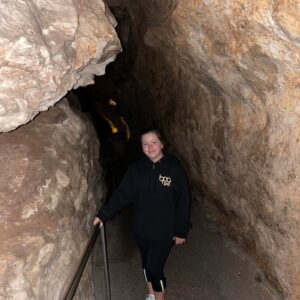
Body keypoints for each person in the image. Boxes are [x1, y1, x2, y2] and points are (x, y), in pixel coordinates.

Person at [94, 129, 191, 300]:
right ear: (142, 148)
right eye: (145, 144)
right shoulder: (137, 170)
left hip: (164, 231)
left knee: (155, 269)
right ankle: (151, 295)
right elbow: (122, 194)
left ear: (162, 144)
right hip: (141, 230)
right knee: (146, 264)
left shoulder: (174, 169)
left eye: (153, 142)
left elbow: (184, 200)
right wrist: (104, 215)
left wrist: (181, 230)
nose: (150, 146)